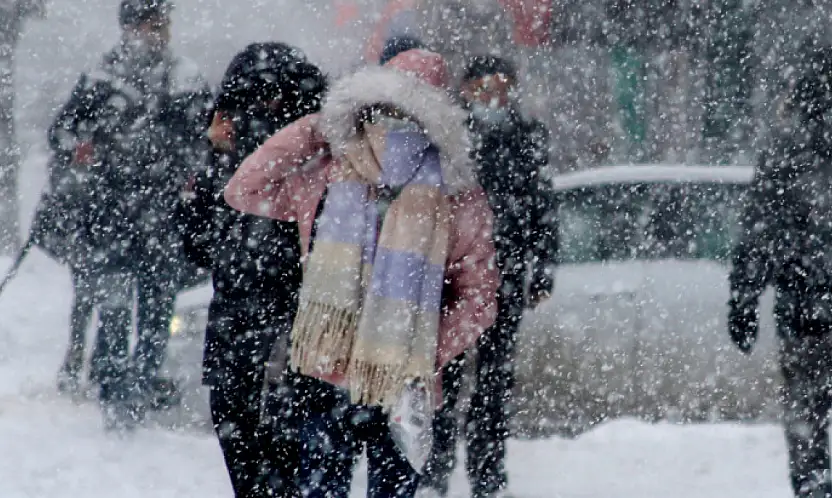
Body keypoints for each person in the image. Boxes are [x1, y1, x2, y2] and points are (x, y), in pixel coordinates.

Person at [224, 48, 499, 498]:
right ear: (363, 109)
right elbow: (244, 189)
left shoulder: (459, 200)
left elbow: (479, 299)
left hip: (403, 387)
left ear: (432, 122)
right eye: (382, 111)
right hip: (324, 373)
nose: (391, 127)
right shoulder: (330, 175)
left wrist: (422, 351)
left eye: (406, 115)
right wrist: (317, 129)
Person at [45, 0, 211, 429]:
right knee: (117, 312)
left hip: (162, 219)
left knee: (157, 312)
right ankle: (116, 393)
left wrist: (192, 172)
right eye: (152, 24)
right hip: (110, 219)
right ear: (130, 27)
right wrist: (80, 148)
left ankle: (137, 390)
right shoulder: (100, 80)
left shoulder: (185, 78)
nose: (159, 32)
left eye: (163, 24)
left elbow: (204, 140)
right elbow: (61, 133)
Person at [179, 42, 326, 497]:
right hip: (252, 326)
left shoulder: (314, 157)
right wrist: (213, 157)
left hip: (286, 327)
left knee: (274, 454)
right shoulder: (232, 163)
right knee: (254, 452)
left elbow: (198, 243)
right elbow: (196, 243)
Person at [418, 55, 558, 498]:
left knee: (494, 382)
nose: (492, 98)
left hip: (506, 274)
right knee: (444, 377)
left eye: (501, 87)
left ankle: (488, 477)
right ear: (466, 90)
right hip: (453, 277)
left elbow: (543, 206)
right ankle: (435, 471)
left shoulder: (527, 136)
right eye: (483, 88)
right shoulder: (449, 137)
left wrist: (543, 269)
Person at [728, 45, 832, 498]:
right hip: (807, 306)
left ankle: (813, 485)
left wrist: (744, 300)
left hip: (805, 311)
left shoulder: (785, 155)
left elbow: (758, 235)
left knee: (809, 419)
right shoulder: (789, 158)